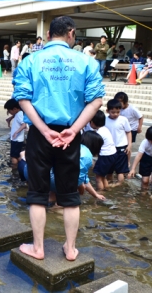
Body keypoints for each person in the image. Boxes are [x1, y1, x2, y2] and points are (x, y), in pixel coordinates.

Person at [13, 16, 104, 261]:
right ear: (71, 33)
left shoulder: (30, 60)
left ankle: (38, 247)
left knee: (37, 193)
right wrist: (74, 130)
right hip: (70, 135)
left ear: (50, 33)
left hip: (40, 135)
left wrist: (43, 130)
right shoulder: (86, 61)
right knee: (70, 195)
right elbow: (96, 100)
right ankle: (71, 248)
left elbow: (23, 99)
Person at [19, 131, 106, 202]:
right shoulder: (87, 156)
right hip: (47, 175)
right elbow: (80, 179)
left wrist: (95, 194)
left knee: (54, 189)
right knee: (69, 191)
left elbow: (85, 179)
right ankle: (50, 207)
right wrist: (78, 191)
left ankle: (33, 202)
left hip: (30, 169)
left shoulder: (73, 146)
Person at [87, 110, 120, 190]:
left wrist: (95, 161)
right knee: (102, 176)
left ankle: (100, 194)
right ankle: (107, 189)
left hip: (105, 156)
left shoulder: (98, 134)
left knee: (98, 178)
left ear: (93, 122)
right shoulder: (104, 129)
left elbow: (95, 150)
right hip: (112, 154)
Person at [104, 99, 132, 187]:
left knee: (121, 170)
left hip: (121, 147)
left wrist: (129, 144)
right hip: (109, 147)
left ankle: (119, 184)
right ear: (107, 111)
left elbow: (128, 132)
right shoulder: (104, 120)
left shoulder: (123, 120)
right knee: (109, 169)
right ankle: (109, 184)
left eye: (118, 112)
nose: (115, 114)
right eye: (113, 112)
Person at [4, 99, 26, 175]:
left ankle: (14, 170)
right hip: (17, 140)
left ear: (15, 109)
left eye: (9, 110)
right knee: (18, 155)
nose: (9, 112)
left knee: (13, 157)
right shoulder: (18, 113)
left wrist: (16, 132)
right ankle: (21, 168)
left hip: (16, 140)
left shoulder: (19, 114)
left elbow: (24, 125)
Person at [128, 126, 152, 191]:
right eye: (150, 140)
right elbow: (139, 155)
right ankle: (143, 194)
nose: (151, 142)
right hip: (146, 158)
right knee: (145, 181)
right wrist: (133, 169)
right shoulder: (145, 142)